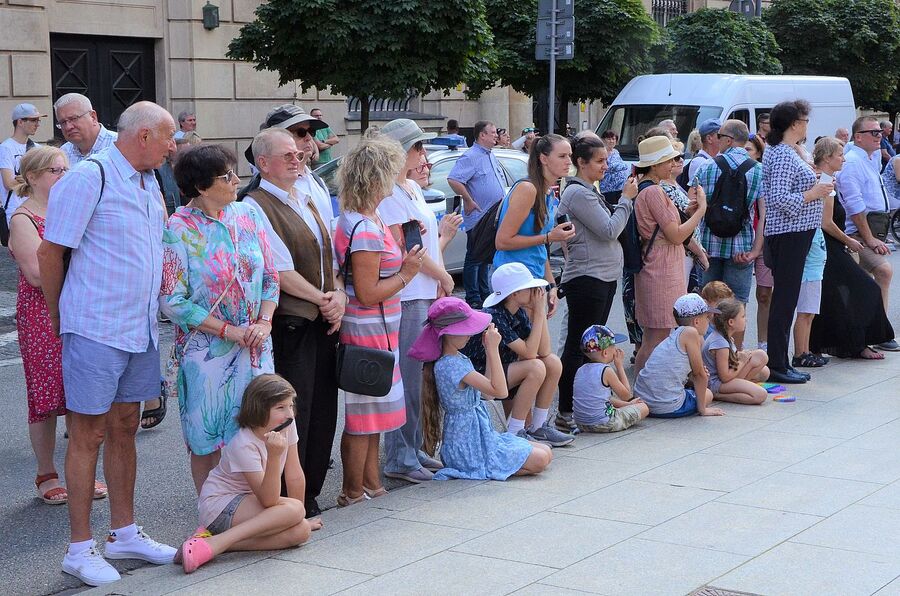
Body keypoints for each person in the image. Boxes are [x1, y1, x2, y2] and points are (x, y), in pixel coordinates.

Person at [37, 102, 177, 587]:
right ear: (142, 136)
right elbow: (50, 251)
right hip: (95, 327)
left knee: (125, 427)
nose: (173, 146)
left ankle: (124, 534)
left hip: (138, 328)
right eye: (168, 137)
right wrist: (59, 314)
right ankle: (79, 549)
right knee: (87, 434)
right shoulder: (87, 177)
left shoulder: (146, 179)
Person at [160, 143, 279, 493]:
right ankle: (212, 512)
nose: (235, 180)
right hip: (206, 353)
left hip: (257, 346)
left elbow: (270, 275)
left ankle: (259, 507)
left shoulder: (249, 215)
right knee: (207, 436)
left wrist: (264, 322)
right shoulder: (177, 228)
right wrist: (230, 331)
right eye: (226, 176)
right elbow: (172, 300)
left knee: (260, 431)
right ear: (200, 186)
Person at [242, 126, 343, 518]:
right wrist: (323, 299)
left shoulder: (306, 197)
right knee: (292, 410)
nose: (296, 159)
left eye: (298, 154)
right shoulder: (255, 205)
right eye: (287, 155)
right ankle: (290, 494)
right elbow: (278, 270)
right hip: (292, 324)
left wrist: (338, 296)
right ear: (263, 163)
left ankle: (312, 489)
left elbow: (329, 259)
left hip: (322, 319)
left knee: (323, 409)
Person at [8, 146, 107, 506]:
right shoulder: (22, 219)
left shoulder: (71, 209)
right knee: (46, 396)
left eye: (67, 169)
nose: (64, 176)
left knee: (78, 392)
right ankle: (46, 471)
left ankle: (80, 471)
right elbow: (36, 274)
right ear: (32, 177)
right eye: (55, 170)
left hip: (80, 305)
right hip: (42, 311)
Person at [332, 136, 425, 506]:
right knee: (362, 418)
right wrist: (406, 273)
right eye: (391, 169)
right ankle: (353, 491)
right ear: (376, 177)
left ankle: (371, 484)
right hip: (369, 329)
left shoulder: (364, 218)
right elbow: (368, 292)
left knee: (372, 417)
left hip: (376, 329)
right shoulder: (366, 228)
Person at [378, 118, 462, 484]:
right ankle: (400, 455)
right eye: (417, 148)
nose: (423, 155)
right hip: (408, 294)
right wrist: (443, 275)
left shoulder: (410, 187)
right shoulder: (389, 194)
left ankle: (412, 448)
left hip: (421, 292)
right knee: (407, 378)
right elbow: (410, 247)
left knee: (416, 377)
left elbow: (425, 245)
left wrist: (440, 268)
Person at [182, 375, 321, 574]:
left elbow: (294, 474)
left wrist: (298, 519)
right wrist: (274, 456)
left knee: (301, 531)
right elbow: (268, 500)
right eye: (280, 408)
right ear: (259, 408)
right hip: (220, 506)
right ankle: (215, 543)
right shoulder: (243, 443)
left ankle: (213, 542)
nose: (289, 413)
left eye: (291, 406)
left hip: (248, 504)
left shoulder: (287, 426)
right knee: (295, 510)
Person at [408, 297, 551, 480]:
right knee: (541, 459)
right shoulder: (451, 365)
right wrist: (493, 349)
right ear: (449, 333)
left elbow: (488, 395)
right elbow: (500, 392)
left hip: (479, 438)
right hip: (469, 447)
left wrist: (489, 350)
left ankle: (498, 468)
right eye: (466, 329)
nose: (470, 334)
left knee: (545, 451)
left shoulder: (456, 358)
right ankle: (491, 469)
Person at [555, 135, 636, 432]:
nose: (605, 166)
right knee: (579, 347)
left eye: (606, 160)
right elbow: (609, 229)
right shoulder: (579, 193)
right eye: (599, 161)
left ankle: (587, 403)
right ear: (581, 162)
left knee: (594, 348)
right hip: (587, 279)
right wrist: (626, 199)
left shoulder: (588, 190)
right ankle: (565, 411)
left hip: (600, 276)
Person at [460, 263, 573, 445]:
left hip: (502, 371)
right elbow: (529, 353)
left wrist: (540, 312)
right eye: (530, 288)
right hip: (481, 377)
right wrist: (537, 311)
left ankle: (537, 426)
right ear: (514, 294)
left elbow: (543, 350)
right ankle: (515, 432)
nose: (536, 292)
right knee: (535, 367)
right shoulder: (495, 315)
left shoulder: (517, 312)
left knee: (552, 362)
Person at [762, 100, 832, 384]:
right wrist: (813, 193)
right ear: (794, 124)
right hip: (787, 234)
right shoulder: (780, 154)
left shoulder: (788, 151)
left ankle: (781, 361)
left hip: (796, 233)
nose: (807, 125)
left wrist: (814, 185)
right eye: (804, 121)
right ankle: (778, 363)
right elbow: (778, 199)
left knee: (787, 299)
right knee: (784, 300)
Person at [810, 136, 894, 360]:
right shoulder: (825, 180)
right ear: (827, 158)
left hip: (831, 246)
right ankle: (856, 345)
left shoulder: (828, 178)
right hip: (828, 247)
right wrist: (850, 241)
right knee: (866, 289)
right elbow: (825, 222)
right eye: (839, 155)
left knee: (830, 298)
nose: (843, 159)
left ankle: (836, 346)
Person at [632, 136, 707, 376]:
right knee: (658, 333)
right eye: (667, 160)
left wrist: (688, 212)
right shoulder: (653, 191)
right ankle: (644, 387)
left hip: (659, 262)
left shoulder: (649, 188)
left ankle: (646, 386)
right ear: (654, 164)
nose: (673, 164)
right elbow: (675, 235)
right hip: (660, 266)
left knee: (657, 332)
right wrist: (700, 212)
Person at [695, 120, 762, 340]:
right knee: (737, 307)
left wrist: (696, 247)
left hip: (708, 246)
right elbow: (764, 216)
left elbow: (694, 208)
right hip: (741, 248)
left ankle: (707, 358)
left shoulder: (707, 167)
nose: (716, 139)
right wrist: (755, 251)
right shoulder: (758, 171)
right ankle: (734, 357)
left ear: (729, 140)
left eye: (720, 135)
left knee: (707, 305)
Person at [837, 116, 899, 352]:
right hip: (860, 234)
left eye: (880, 132)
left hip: (875, 229)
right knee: (882, 271)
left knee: (860, 285)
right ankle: (877, 331)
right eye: (873, 132)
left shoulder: (870, 159)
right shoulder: (853, 162)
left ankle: (864, 334)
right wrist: (870, 238)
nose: (879, 136)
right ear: (858, 136)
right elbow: (854, 206)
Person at [494, 133, 575, 314]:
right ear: (543, 159)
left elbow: (540, 248)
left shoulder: (548, 193)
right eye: (562, 156)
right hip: (516, 282)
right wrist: (549, 237)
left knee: (540, 343)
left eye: (569, 155)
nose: (569, 161)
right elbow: (502, 241)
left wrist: (551, 285)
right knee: (529, 342)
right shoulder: (527, 189)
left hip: (534, 279)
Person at [633, 294, 725, 417]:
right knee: (707, 395)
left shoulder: (677, 335)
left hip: (643, 400)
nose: (709, 321)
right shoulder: (691, 333)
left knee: (695, 390)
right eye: (707, 317)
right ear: (696, 321)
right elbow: (699, 375)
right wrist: (703, 409)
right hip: (666, 406)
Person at [447, 120, 505, 306]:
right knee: (474, 256)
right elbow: (454, 179)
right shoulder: (470, 156)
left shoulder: (490, 155)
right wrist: (468, 200)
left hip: (492, 215)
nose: (496, 135)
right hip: (479, 216)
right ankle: (473, 297)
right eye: (493, 132)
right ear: (482, 135)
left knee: (484, 256)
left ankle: (484, 293)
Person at [573, 325, 649, 433]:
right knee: (644, 407)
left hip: (581, 424)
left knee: (616, 403)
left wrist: (628, 405)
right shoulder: (606, 370)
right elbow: (627, 396)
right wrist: (619, 366)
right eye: (614, 346)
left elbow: (602, 398)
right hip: (604, 423)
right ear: (605, 353)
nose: (616, 349)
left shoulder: (580, 370)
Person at [661, 138, 709, 294]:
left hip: (686, 253)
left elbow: (681, 218)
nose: (681, 160)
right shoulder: (665, 188)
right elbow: (678, 229)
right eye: (675, 157)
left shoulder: (674, 185)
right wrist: (700, 252)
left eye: (682, 156)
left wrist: (689, 212)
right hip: (681, 252)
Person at [703, 298, 769, 405]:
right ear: (731, 322)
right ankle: (718, 395)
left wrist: (741, 357)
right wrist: (742, 361)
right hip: (716, 383)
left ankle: (740, 386)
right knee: (760, 395)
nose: (745, 319)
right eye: (743, 316)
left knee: (764, 370)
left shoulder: (724, 337)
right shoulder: (720, 343)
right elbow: (724, 377)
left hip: (724, 379)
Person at [744, 135, 772, 351]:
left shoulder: (763, 175)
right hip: (742, 240)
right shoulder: (736, 175)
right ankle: (736, 346)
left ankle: (763, 343)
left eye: (749, 150)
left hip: (764, 239)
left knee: (764, 293)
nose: (745, 154)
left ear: (759, 153)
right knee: (738, 296)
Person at [791, 222, 827, 368]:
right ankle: (799, 354)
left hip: (816, 273)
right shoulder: (807, 227)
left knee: (810, 314)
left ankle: (806, 350)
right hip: (808, 275)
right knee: (804, 314)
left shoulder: (816, 227)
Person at [1, 103, 44, 222]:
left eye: (38, 120)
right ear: (20, 122)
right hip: (14, 211)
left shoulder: (38, 148)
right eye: (33, 120)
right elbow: (9, 184)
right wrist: (32, 179)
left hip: (37, 209)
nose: (37, 124)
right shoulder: (6, 148)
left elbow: (44, 181)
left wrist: (22, 179)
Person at [53, 93, 117, 166]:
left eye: (74, 119)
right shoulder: (64, 152)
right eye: (63, 122)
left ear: (93, 117)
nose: (68, 127)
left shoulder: (118, 145)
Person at [598, 130, 630, 202]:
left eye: (613, 139)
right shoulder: (602, 152)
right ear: (603, 140)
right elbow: (607, 167)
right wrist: (622, 166)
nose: (611, 141)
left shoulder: (616, 151)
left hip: (620, 187)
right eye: (609, 139)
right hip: (608, 188)